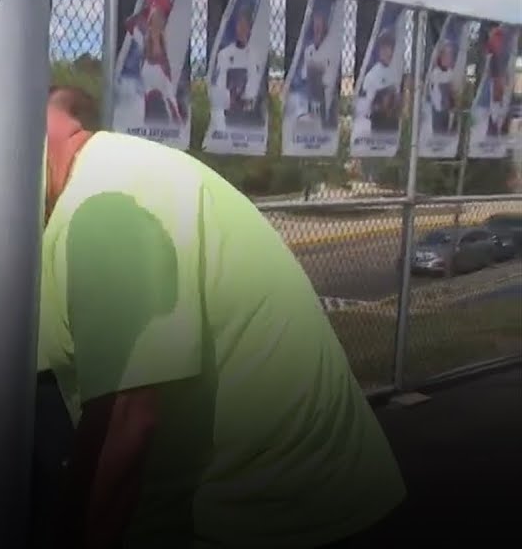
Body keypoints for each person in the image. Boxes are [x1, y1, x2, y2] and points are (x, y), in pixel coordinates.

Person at [36, 85, 406, 548]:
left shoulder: (102, 206)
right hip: (300, 497)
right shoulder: (109, 172)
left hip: (282, 516)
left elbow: (125, 423)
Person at [125, 0, 183, 126]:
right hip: (151, 73)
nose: (158, 21)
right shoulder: (146, 37)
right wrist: (148, 9)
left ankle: (171, 127)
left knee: (167, 102)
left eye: (160, 19)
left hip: (157, 74)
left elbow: (129, 23)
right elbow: (129, 24)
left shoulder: (162, 38)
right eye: (155, 18)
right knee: (153, 102)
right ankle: (149, 126)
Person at [210, 3, 264, 132]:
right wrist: (229, 100)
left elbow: (254, 85)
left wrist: (246, 100)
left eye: (245, 25)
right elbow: (220, 84)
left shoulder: (254, 56)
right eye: (240, 24)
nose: (242, 29)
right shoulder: (224, 54)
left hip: (247, 112)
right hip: (228, 110)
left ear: (250, 28)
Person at [355, 28, 401, 137]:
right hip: (379, 123)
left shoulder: (395, 71)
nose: (385, 51)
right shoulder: (372, 75)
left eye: (388, 46)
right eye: (382, 47)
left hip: (393, 121)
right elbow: (368, 106)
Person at [299, 7, 338, 127]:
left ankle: (325, 116)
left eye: (320, 26)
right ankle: (311, 112)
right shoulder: (309, 50)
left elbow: (329, 78)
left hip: (326, 93)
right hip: (312, 91)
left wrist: (318, 69)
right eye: (315, 25)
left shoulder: (331, 50)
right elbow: (304, 74)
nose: (317, 28)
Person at [424, 39, 458, 136]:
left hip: (447, 111)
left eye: (450, 55)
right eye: (445, 55)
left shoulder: (450, 73)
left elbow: (453, 95)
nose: (448, 58)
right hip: (437, 111)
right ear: (439, 56)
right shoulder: (435, 74)